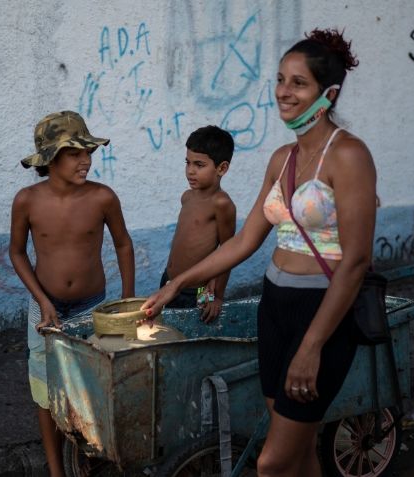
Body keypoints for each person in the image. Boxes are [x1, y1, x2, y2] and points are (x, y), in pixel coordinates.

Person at [144, 29, 376, 476]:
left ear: (328, 93)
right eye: (280, 79)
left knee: (271, 463)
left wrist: (313, 346)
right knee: (299, 453)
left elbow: (356, 260)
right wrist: (178, 283)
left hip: (321, 312)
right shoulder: (282, 158)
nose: (283, 92)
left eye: (298, 83)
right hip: (276, 307)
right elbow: (245, 241)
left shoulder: (349, 156)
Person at [9, 110, 135, 476]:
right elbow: (17, 252)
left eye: (88, 152)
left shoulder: (102, 198)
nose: (85, 160)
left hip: (93, 306)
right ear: (51, 158)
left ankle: (92, 453)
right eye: (74, 153)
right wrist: (43, 301)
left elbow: (124, 246)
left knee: (96, 382)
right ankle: (55, 469)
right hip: (44, 307)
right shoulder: (27, 200)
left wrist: (125, 304)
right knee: (45, 392)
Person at [160, 125, 237, 322]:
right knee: (168, 332)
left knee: (193, 333)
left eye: (199, 165)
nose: (190, 171)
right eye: (188, 163)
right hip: (169, 281)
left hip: (199, 290)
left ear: (222, 168)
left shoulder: (221, 203)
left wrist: (216, 295)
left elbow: (228, 252)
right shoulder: (187, 197)